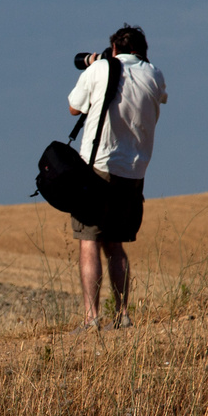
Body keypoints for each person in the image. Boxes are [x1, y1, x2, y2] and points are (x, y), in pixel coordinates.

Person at [65, 24, 167, 329]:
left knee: (89, 241)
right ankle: (122, 315)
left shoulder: (100, 70)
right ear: (142, 51)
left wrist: (96, 64)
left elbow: (73, 107)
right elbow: (159, 97)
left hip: (99, 167)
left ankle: (91, 318)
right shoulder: (154, 74)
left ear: (113, 50)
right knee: (115, 244)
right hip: (134, 173)